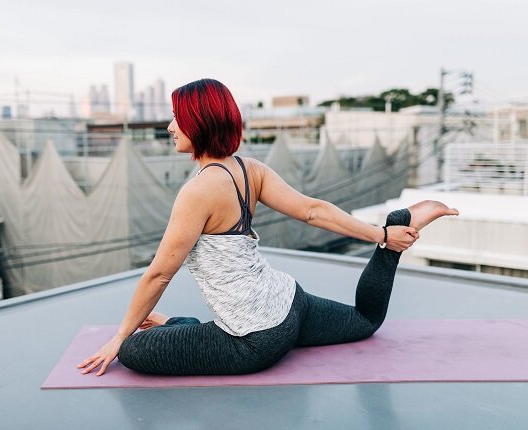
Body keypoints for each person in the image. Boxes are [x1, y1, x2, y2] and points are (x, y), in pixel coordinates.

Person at [77, 78, 459, 377]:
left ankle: (179, 325)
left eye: (178, 117)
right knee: (366, 320)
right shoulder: (249, 169)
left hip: (253, 340)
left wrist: (118, 337)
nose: (170, 126)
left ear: (199, 122)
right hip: (291, 302)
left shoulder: (196, 192)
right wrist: (382, 234)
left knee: (133, 352)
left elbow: (159, 274)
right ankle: (396, 237)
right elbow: (313, 211)